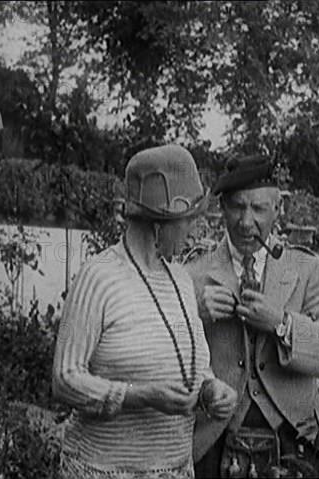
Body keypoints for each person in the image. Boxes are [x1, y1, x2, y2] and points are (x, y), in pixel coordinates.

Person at [52, 144, 238, 479]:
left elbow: (193, 365)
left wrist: (210, 389)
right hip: (104, 470)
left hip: (174, 469)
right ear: (159, 223)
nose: (196, 231)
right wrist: (138, 397)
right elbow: (65, 380)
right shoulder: (99, 278)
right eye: (189, 220)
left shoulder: (180, 279)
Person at [187, 154, 319, 478]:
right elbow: (161, 347)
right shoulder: (193, 274)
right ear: (221, 208)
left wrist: (283, 324)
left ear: (279, 210)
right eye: (236, 206)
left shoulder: (308, 270)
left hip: (296, 438)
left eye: (259, 208)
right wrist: (194, 313)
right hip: (212, 441)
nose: (246, 222)